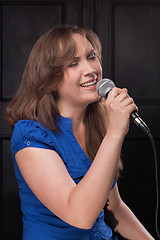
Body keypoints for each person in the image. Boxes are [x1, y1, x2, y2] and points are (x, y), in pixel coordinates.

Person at [6, 25, 154, 240]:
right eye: (73, 63)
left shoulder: (98, 125)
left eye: (91, 57)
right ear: (49, 80)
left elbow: (115, 208)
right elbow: (80, 216)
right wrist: (115, 132)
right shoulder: (30, 133)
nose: (91, 69)